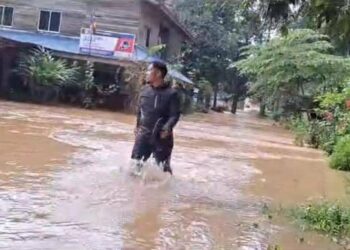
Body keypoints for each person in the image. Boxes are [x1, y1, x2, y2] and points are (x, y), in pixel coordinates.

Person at [131, 61, 181, 175]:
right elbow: (140, 111)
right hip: (144, 134)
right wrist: (137, 126)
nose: (147, 73)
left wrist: (167, 128)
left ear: (158, 73)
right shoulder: (145, 90)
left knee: (163, 170)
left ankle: (166, 191)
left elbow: (174, 115)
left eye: (149, 70)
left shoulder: (172, 94)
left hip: (161, 137)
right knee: (135, 166)